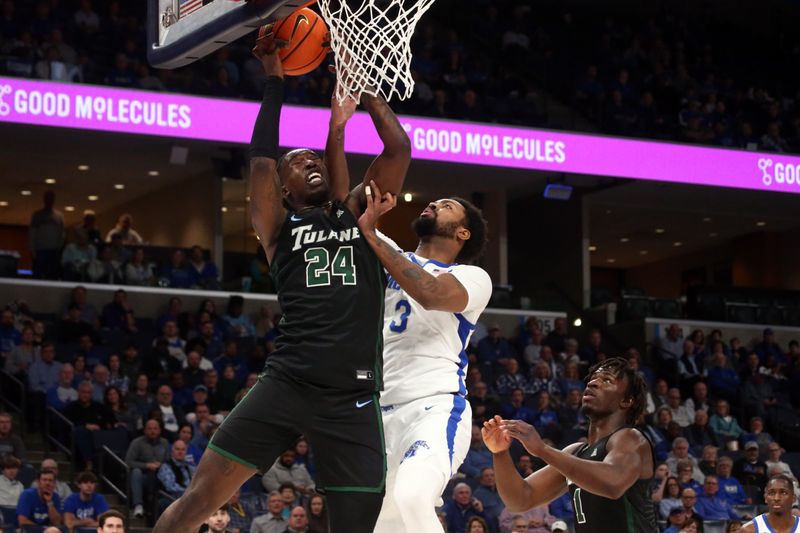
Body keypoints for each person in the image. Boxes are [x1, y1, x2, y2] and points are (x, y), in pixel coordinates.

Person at [153, 29, 410, 533]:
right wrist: (274, 80)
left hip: (352, 397)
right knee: (196, 504)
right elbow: (262, 159)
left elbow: (397, 149)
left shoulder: (358, 214)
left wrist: (361, 84)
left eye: (313, 158)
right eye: (296, 164)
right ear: (283, 190)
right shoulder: (277, 226)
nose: (308, 161)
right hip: (288, 381)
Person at [348, 178, 490, 533]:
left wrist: (373, 236)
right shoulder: (388, 252)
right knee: (378, 524)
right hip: (378, 412)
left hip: (435, 407)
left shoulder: (471, 277)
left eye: (447, 206)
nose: (434, 205)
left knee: (413, 496)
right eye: (435, 202)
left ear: (463, 234)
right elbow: (347, 212)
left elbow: (430, 293)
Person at [483, 357, 657, 531]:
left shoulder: (631, 438)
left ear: (626, 400)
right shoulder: (574, 453)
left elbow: (612, 484)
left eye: (607, 380)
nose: (593, 383)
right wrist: (499, 453)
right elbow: (521, 499)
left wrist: (542, 449)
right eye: (593, 379)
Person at [29, 190, 65, 279]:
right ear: (44, 199)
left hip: (54, 250)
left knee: (52, 275)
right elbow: (32, 233)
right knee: (37, 275)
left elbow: (62, 233)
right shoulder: (37, 215)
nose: (49, 200)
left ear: (54, 200)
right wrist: (33, 250)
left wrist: (59, 248)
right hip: (40, 250)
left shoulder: (59, 216)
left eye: (51, 198)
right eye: (47, 198)